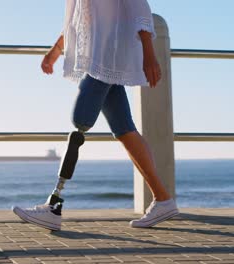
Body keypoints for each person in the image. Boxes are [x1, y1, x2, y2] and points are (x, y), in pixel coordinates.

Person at [13, 0, 178, 231]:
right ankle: (163, 199)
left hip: (107, 56)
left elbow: (140, 9)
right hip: (102, 57)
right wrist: (56, 50)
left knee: (80, 120)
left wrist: (149, 55)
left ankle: (53, 206)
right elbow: (82, 19)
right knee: (125, 131)